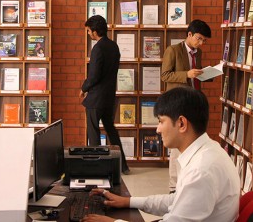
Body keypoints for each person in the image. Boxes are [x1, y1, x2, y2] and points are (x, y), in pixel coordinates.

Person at [81, 87, 240, 222]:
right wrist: (129, 202)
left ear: (182, 124)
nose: (157, 129)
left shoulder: (201, 171)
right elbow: (176, 201)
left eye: (161, 121)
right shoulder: (209, 150)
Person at [161, 19, 211, 192]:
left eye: (204, 40)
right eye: (199, 38)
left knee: (191, 143)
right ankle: (174, 187)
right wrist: (187, 74)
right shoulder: (173, 50)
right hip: (177, 103)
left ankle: (186, 181)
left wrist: (207, 74)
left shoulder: (198, 53)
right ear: (189, 34)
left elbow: (196, 75)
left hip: (193, 101)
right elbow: (165, 75)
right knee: (177, 145)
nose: (201, 43)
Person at [79, 15, 130, 174]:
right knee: (111, 131)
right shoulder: (114, 46)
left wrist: (84, 88)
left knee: (93, 133)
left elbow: (94, 76)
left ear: (95, 31)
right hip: (109, 97)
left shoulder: (98, 48)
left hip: (96, 99)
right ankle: (123, 166)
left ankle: (95, 168)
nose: (88, 34)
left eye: (88, 31)